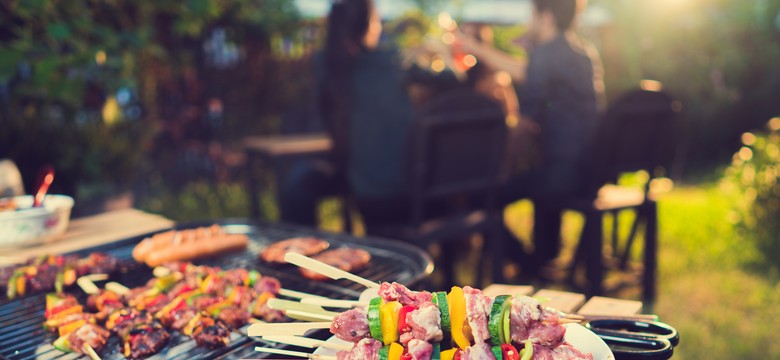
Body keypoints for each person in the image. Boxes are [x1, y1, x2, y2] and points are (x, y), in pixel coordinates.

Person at [278, 0, 457, 228]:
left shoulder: (326, 64)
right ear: (370, 25)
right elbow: (452, 78)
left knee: (298, 183)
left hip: (364, 196)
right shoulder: (392, 61)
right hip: (405, 196)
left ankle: (302, 252)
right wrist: (443, 53)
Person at [458, 0, 605, 274]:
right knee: (540, 173)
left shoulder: (546, 54)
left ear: (545, 17)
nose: (528, 22)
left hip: (564, 174)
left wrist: (504, 169)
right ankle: (543, 258)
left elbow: (525, 122)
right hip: (592, 168)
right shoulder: (583, 52)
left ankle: (528, 265)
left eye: (531, 15)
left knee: (480, 197)